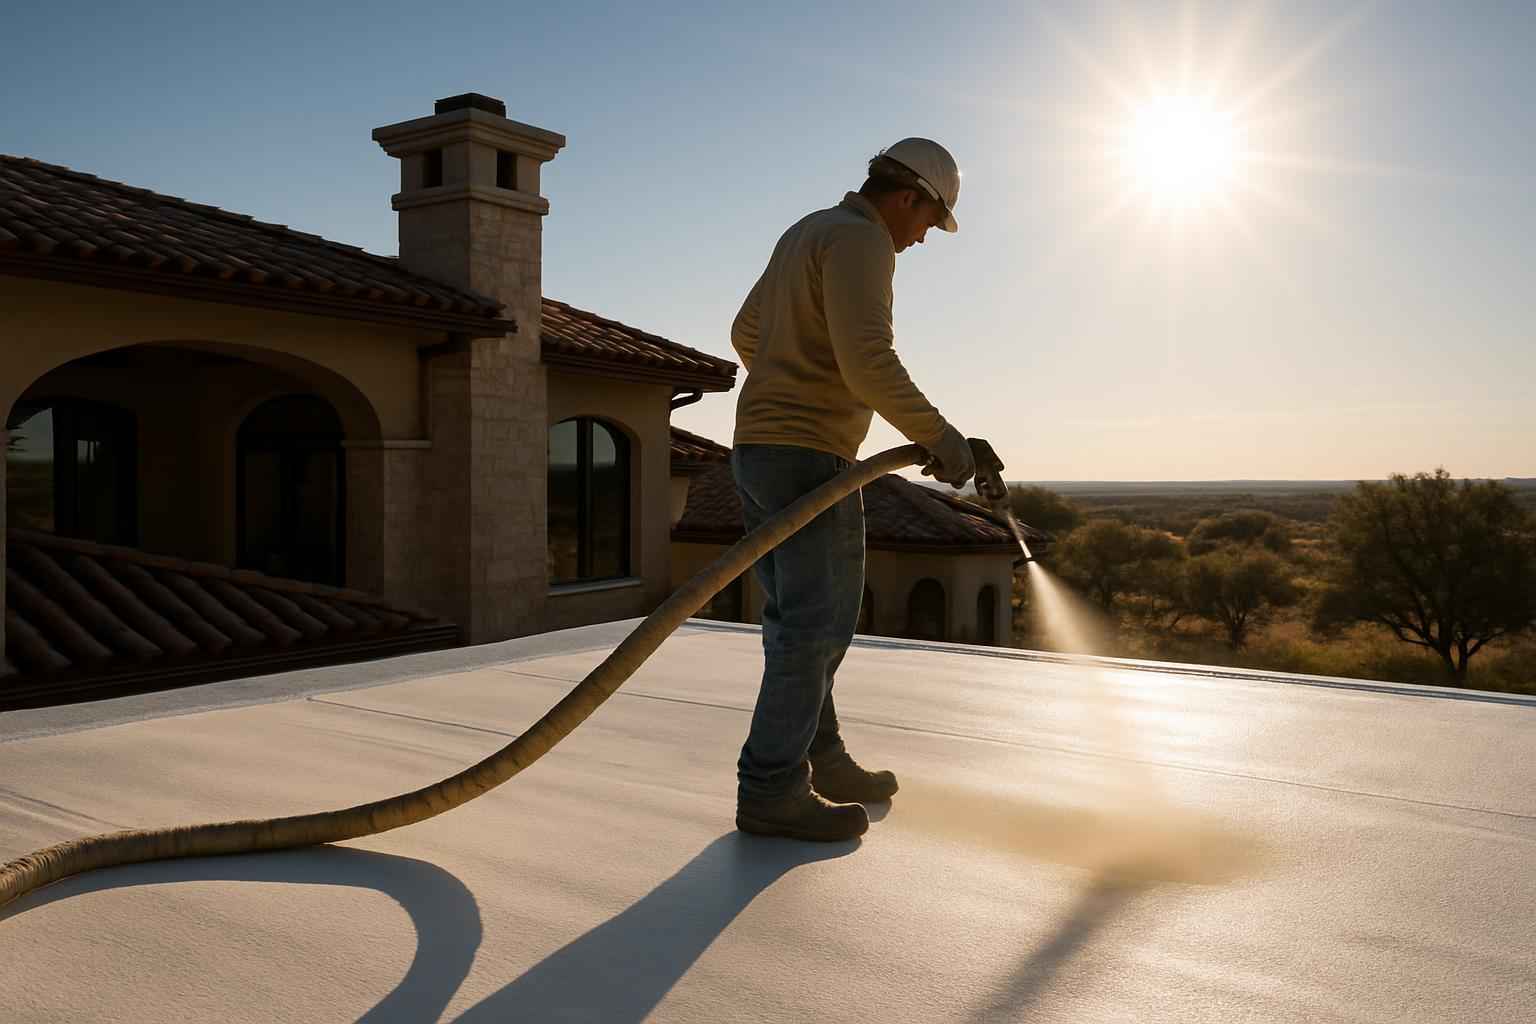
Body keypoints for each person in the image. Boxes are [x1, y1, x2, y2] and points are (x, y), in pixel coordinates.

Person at [728, 139, 980, 841]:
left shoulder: (809, 230)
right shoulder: (863, 240)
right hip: (809, 456)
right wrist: (944, 438)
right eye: (927, 220)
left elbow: (746, 331)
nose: (921, 238)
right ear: (907, 197)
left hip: (758, 451)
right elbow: (869, 361)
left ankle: (823, 761)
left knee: (798, 623)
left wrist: (791, 375)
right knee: (814, 629)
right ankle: (771, 789)